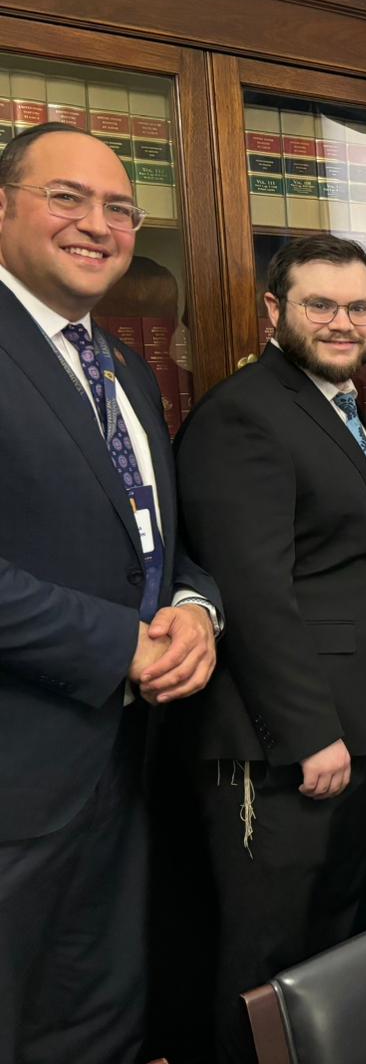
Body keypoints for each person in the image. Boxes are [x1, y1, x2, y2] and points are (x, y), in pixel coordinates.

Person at [0, 123, 221, 1064]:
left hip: (133, 767)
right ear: (3, 206)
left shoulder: (125, 364)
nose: (98, 224)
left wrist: (197, 610)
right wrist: (121, 643)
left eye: (120, 209)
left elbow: (156, 545)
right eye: (68, 198)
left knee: (106, 1021)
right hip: (21, 781)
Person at [174, 233, 366, 1061]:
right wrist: (310, 734)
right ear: (274, 311)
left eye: (358, 307)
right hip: (286, 749)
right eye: (321, 305)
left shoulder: (339, 408)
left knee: (325, 946)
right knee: (263, 960)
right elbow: (254, 594)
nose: (343, 323)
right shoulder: (245, 414)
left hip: (357, 726)